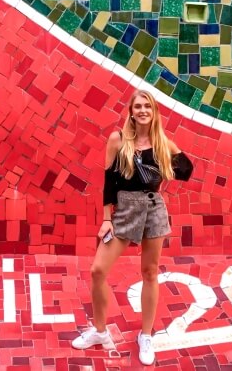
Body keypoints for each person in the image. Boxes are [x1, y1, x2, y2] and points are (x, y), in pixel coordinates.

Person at [71, 89, 194, 365]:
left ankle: (146, 335)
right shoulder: (118, 140)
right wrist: (106, 218)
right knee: (98, 270)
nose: (142, 111)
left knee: (150, 272)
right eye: (138, 106)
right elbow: (109, 183)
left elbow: (187, 170)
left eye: (147, 107)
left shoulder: (163, 143)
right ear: (131, 111)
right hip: (124, 210)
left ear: (154, 112)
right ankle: (100, 331)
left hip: (153, 209)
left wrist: (168, 164)